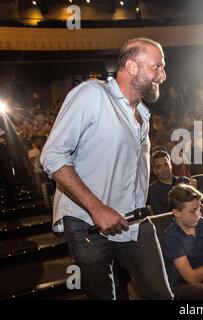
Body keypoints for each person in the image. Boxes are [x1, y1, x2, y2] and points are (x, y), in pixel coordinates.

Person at [40, 38, 173, 300]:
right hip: (87, 223)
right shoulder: (92, 94)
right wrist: (97, 208)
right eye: (157, 66)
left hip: (134, 220)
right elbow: (52, 155)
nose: (163, 75)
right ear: (132, 66)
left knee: (160, 294)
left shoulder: (142, 115)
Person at [147, 150, 197, 214]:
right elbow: (162, 215)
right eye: (159, 167)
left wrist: (195, 192)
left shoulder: (185, 181)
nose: (164, 169)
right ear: (154, 171)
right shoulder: (152, 190)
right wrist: (189, 194)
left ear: (171, 165)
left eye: (166, 165)